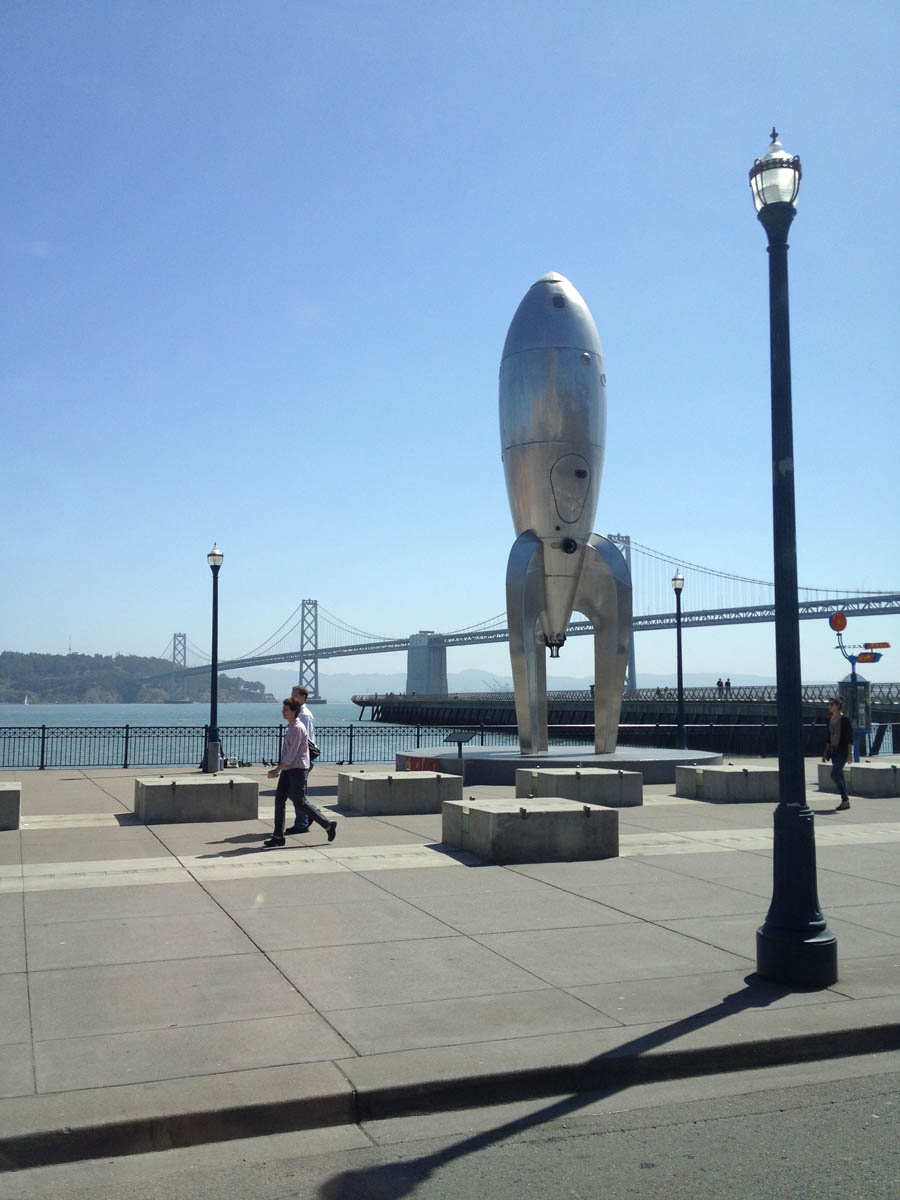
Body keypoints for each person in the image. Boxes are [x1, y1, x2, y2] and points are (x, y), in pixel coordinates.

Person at [264, 698, 336, 847]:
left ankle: (327, 825)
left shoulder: (297, 728)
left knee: (300, 802)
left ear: (294, 711)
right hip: (288, 768)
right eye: (283, 709)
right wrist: (281, 768)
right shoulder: (290, 727)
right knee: (280, 799)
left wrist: (277, 769)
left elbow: (292, 753)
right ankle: (278, 836)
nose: (283, 712)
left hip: (297, 769)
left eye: (285, 709)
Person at [823, 695, 853, 811]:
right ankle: (846, 802)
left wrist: (850, 754)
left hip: (842, 751)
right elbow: (828, 738)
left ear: (838, 706)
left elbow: (849, 738)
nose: (829, 707)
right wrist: (825, 753)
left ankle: (845, 799)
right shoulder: (829, 720)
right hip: (833, 751)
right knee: (839, 775)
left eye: (831, 704)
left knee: (834, 774)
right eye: (828, 704)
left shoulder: (845, 720)